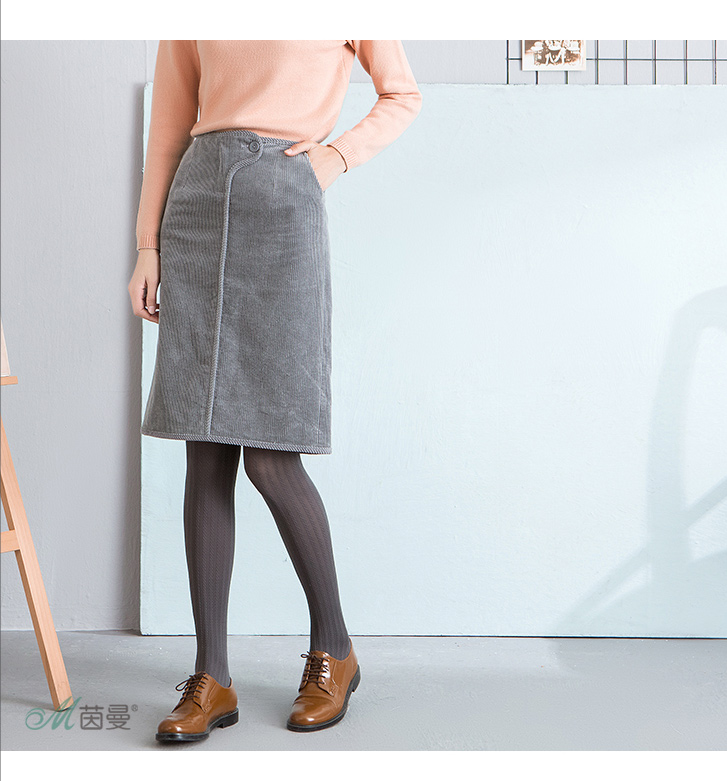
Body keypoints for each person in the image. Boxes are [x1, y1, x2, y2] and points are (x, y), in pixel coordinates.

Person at [128, 39, 422, 743]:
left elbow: (403, 94)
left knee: (270, 453)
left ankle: (335, 649)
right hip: (196, 204)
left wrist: (335, 156)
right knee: (205, 450)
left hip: (283, 204)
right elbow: (168, 128)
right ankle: (211, 677)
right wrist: (147, 246)